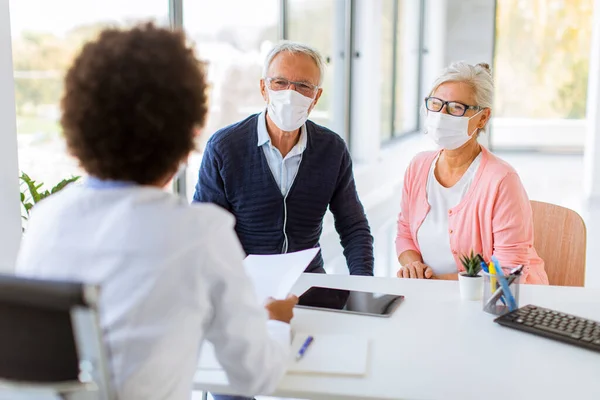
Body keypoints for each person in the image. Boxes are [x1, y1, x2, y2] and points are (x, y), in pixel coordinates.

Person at [16, 24, 298, 400]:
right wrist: (276, 323)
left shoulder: (46, 221)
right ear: (188, 134)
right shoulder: (200, 234)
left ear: (78, 124)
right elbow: (254, 378)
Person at [193, 41, 374, 277]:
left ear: (316, 96)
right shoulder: (225, 147)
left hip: (308, 279)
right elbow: (204, 232)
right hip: (243, 283)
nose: (291, 94)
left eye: (303, 86)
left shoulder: (332, 149)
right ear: (263, 88)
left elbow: (353, 227)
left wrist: (364, 287)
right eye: (280, 82)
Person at [395, 61, 548, 284]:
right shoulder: (418, 166)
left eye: (456, 107)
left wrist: (434, 282)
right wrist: (414, 268)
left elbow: (508, 272)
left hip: (501, 303)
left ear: (483, 117)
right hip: (431, 295)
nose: (441, 115)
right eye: (436, 104)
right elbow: (405, 233)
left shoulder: (502, 181)